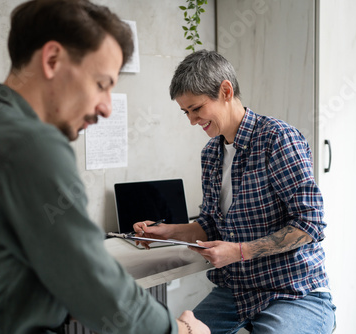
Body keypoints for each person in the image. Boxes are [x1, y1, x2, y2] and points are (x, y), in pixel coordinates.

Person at [0, 1, 210, 333]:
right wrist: (181, 331)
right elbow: (96, 287)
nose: (107, 107)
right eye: (101, 84)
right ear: (52, 60)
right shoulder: (28, 143)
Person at [133, 50, 336, 334]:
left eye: (196, 109)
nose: (192, 121)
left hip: (294, 291)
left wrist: (239, 251)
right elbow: (211, 225)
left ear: (225, 91)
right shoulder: (211, 154)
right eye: (186, 113)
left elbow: (310, 224)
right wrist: (166, 232)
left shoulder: (277, 139)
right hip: (237, 293)